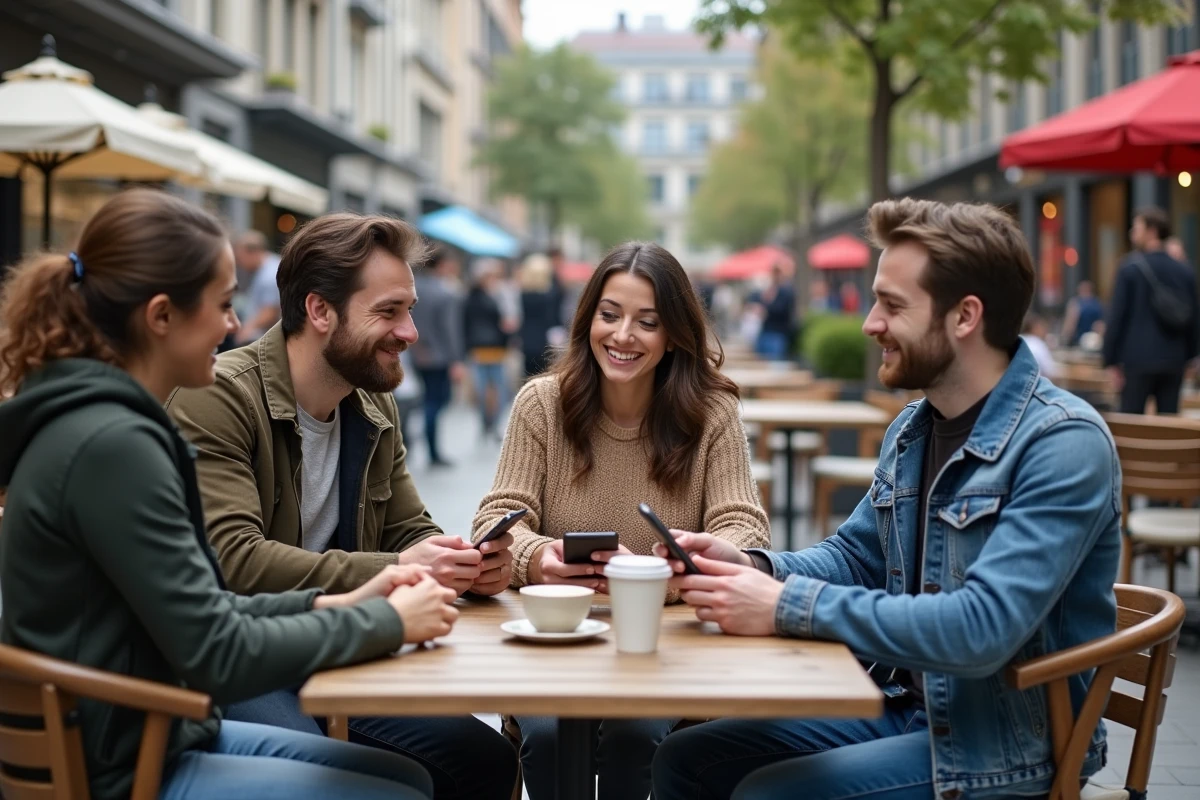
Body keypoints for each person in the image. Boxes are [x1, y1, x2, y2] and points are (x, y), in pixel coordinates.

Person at [650, 198, 1122, 800]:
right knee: (686, 758)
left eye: (892, 305)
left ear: (965, 317)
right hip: (905, 708)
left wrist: (784, 605)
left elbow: (981, 629)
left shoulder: (1062, 444)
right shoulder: (915, 429)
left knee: (769, 793)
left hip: (1002, 746)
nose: (870, 323)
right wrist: (752, 566)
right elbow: (854, 558)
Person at [0, 189, 460, 800]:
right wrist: (379, 620)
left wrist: (350, 603)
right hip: (119, 766)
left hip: (153, 731)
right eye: (222, 303)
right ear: (161, 317)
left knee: (405, 777)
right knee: (398, 793)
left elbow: (207, 610)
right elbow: (216, 648)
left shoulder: (111, 425)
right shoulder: (113, 443)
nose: (235, 324)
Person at [165, 213, 519, 800]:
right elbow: (234, 562)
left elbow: (409, 530)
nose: (410, 331)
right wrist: (402, 569)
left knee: (484, 761)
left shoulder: (374, 408)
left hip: (339, 645)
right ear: (320, 311)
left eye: (409, 309)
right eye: (388, 312)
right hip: (243, 654)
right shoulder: (218, 396)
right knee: (329, 775)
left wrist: (467, 565)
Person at [472, 241, 771, 800]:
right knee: (552, 738)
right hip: (556, 641)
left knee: (635, 738)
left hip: (665, 650)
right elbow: (497, 517)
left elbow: (745, 530)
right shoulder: (542, 404)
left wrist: (671, 571)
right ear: (588, 319)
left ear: (675, 333)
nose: (623, 335)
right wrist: (538, 558)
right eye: (609, 315)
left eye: (647, 322)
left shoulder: (712, 413)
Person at [1103, 207, 1200, 415]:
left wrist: (1110, 360)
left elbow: (1118, 316)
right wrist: (1192, 355)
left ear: (1152, 231)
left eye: (1137, 228)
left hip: (1136, 358)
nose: (1132, 233)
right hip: (1175, 358)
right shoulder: (1184, 270)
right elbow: (1194, 317)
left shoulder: (1129, 268)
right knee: (1168, 423)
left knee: (1131, 421)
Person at [409, 246, 465, 466]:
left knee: (426, 400)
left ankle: (418, 441)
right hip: (439, 356)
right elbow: (450, 329)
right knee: (436, 401)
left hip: (416, 353)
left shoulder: (414, 287)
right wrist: (456, 359)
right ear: (442, 265)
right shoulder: (445, 292)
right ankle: (432, 450)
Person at [464, 258, 516, 440]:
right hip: (480, 349)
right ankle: (486, 421)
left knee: (500, 388)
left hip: (497, 348)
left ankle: (492, 423)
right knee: (481, 389)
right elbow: (466, 322)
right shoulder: (474, 296)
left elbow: (509, 320)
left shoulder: (500, 294)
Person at [231, 230, 282, 346]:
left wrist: (247, 329)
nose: (239, 263)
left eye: (240, 257)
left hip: (261, 340)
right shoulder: (267, 267)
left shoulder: (270, 274)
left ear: (253, 253)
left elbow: (270, 311)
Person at [517, 252, 562, 379]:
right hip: (544, 342)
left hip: (527, 341)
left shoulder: (522, 296)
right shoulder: (550, 296)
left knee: (527, 377)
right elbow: (553, 319)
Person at [747, 264, 796, 358]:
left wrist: (765, 309)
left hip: (778, 332)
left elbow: (782, 309)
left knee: (775, 362)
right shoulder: (770, 289)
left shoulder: (787, 290)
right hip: (766, 330)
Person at [1059, 279, 1105, 347]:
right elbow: (1101, 325)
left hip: (1080, 340)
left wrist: (1063, 338)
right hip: (1094, 342)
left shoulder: (1076, 303)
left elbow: (1070, 324)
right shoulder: (1098, 304)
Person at [1020, 312, 1059, 379]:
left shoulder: (1018, 340)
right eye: (1041, 327)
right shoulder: (1038, 344)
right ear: (1034, 328)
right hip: (1034, 386)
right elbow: (1050, 371)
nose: (1044, 330)